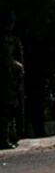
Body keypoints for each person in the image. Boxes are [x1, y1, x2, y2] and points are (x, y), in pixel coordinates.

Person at [0, 10, 24, 149]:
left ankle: (10, 135)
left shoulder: (10, 37)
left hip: (8, 77)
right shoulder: (4, 39)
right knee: (6, 109)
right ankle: (4, 138)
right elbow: (6, 58)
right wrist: (17, 65)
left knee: (10, 107)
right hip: (4, 78)